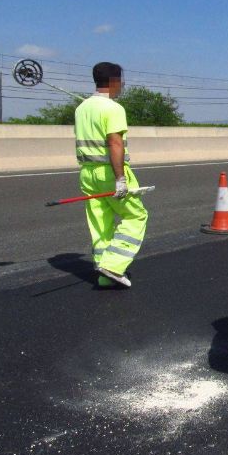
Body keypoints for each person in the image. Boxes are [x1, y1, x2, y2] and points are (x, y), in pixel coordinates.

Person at [74, 62, 148, 288]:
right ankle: (114, 265)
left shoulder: (82, 108)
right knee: (135, 216)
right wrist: (120, 179)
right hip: (109, 171)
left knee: (99, 223)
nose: (123, 84)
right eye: (121, 80)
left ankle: (105, 275)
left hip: (87, 174)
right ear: (114, 81)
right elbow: (115, 143)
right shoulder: (114, 109)